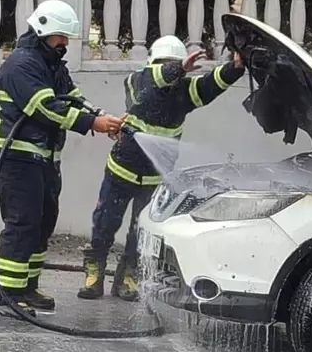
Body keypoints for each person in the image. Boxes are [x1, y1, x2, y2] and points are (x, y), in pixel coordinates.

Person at [79, 35, 245, 301]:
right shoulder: (137, 83)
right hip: (120, 173)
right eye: (167, 65)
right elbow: (152, 79)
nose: (174, 71)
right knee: (105, 223)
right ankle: (95, 270)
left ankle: (128, 275)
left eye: (175, 65)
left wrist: (235, 67)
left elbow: (211, 84)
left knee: (140, 231)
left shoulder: (184, 93)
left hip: (153, 178)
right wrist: (178, 67)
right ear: (155, 64)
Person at [0, 0, 124, 318]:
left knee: (42, 223)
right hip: (19, 159)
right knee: (22, 224)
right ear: (43, 31)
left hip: (45, 158)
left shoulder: (52, 64)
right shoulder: (21, 65)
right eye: (61, 36)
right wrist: (91, 123)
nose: (65, 43)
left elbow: (72, 97)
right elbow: (45, 107)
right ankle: (5, 297)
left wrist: (100, 115)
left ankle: (27, 287)